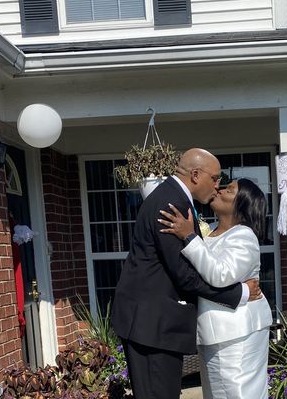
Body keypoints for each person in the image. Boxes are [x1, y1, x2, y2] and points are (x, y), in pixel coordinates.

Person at [111, 149, 262, 399]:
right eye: (215, 178)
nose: (217, 185)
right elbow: (185, 275)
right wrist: (241, 292)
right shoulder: (172, 205)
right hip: (152, 325)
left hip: (156, 324)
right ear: (195, 175)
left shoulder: (174, 199)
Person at [159, 178, 274, 399]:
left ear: (242, 206)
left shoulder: (244, 235)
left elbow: (221, 275)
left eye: (229, 190)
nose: (220, 191)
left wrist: (189, 237)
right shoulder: (210, 230)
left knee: (239, 393)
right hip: (213, 331)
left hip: (238, 333)